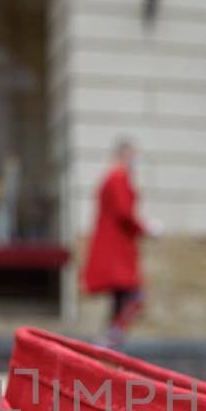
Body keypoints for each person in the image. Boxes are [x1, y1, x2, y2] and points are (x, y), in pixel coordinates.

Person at [81, 138, 157, 346]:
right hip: (117, 246)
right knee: (134, 294)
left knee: (121, 295)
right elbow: (124, 212)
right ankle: (111, 336)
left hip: (115, 244)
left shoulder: (112, 178)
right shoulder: (118, 178)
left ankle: (109, 338)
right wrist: (147, 228)